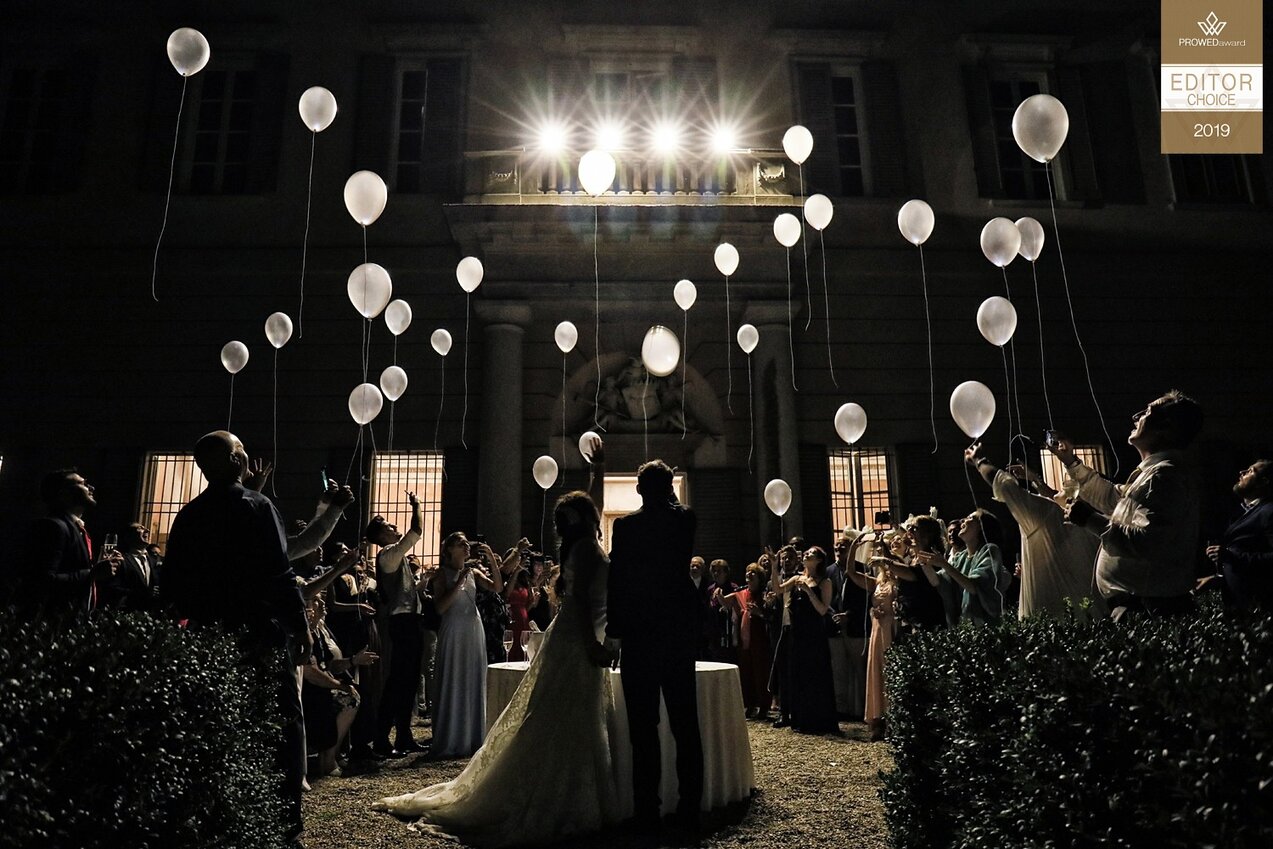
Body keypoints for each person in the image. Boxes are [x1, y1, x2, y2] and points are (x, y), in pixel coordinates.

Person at [373, 437, 621, 847]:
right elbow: (577, 607)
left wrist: (597, 472)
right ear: (585, 521)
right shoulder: (583, 552)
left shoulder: (582, 545)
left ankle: (572, 789)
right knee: (566, 715)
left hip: (572, 639)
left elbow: (587, 507)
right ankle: (559, 794)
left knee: (569, 714)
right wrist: (597, 647)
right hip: (576, 642)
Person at [158, 431, 308, 847]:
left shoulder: (188, 515)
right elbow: (280, 574)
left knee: (219, 724)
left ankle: (224, 815)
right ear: (233, 461)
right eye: (241, 450)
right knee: (282, 725)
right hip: (258, 635)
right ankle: (285, 822)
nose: (246, 456)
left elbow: (172, 585)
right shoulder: (258, 508)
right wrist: (301, 626)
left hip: (209, 637)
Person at [607, 458, 703, 832]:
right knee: (685, 723)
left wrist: (614, 631)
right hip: (677, 633)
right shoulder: (685, 520)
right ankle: (689, 809)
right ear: (670, 488)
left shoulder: (626, 527)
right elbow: (677, 511)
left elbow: (618, 582)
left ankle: (647, 808)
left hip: (639, 634)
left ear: (638, 490)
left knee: (643, 728)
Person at [1056, 391, 1204, 620]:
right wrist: (1071, 462)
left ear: (1166, 428)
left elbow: (1148, 542)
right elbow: (1110, 498)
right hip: (1140, 605)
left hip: (1148, 609)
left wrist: (1090, 520)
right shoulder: (1154, 474)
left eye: (1147, 412)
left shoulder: (1164, 476)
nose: (1136, 418)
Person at [966, 443, 1102, 619]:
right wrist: (1035, 479)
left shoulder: (1048, 517)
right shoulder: (1094, 528)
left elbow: (1006, 487)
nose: (1060, 488)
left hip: (1048, 625)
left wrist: (979, 460)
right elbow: (1051, 498)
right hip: (1092, 619)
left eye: (1064, 489)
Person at [12, 469, 122, 618]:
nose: (91, 488)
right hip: (54, 624)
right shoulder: (52, 527)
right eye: (82, 483)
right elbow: (41, 581)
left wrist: (99, 567)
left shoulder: (75, 527)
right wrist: (92, 573)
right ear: (64, 494)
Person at [429, 531, 500, 758]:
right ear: (450, 550)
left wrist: (490, 556)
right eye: (461, 543)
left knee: (472, 677)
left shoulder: (474, 572)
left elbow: (497, 587)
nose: (467, 546)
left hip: (473, 628)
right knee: (454, 677)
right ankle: (451, 738)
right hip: (453, 628)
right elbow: (440, 608)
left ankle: (472, 737)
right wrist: (459, 581)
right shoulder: (442, 575)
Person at [367, 492, 427, 757]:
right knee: (398, 681)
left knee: (409, 680)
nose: (394, 527)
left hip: (409, 619)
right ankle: (382, 737)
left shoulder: (396, 557)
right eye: (388, 527)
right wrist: (416, 506)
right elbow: (416, 531)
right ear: (381, 537)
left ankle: (403, 735)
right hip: (401, 622)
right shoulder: (388, 555)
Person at [775, 546, 838, 734]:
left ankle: (819, 719)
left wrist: (809, 592)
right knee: (798, 675)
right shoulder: (797, 579)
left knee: (816, 676)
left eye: (811, 554)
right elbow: (778, 589)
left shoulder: (824, 582)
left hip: (814, 636)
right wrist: (773, 566)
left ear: (818, 560)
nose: (806, 555)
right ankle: (801, 718)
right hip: (798, 634)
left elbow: (822, 610)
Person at [845, 533, 896, 741]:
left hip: (891, 627)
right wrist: (854, 547)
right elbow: (851, 572)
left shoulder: (898, 576)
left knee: (889, 670)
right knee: (876, 671)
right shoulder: (877, 581)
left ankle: (894, 720)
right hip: (877, 628)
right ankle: (878, 720)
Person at [919, 510, 1007, 626]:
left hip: (985, 626)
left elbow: (976, 585)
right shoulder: (961, 557)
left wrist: (944, 564)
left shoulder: (990, 551)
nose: (963, 521)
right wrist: (921, 554)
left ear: (981, 527)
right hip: (965, 626)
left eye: (970, 518)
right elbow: (937, 581)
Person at [1207, 460, 1273, 609]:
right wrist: (1217, 577)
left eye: (1251, 471)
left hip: (1257, 607)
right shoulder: (1241, 511)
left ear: (1263, 482)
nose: (1241, 473)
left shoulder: (1269, 512)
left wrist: (1232, 557)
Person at [715, 562, 773, 719]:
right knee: (746, 672)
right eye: (747, 572)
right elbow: (725, 602)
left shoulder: (765, 594)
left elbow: (771, 615)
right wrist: (719, 594)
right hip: (744, 638)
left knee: (761, 672)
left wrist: (759, 612)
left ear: (759, 577)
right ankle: (750, 704)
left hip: (760, 638)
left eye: (752, 573)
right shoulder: (741, 593)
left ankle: (764, 706)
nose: (748, 575)